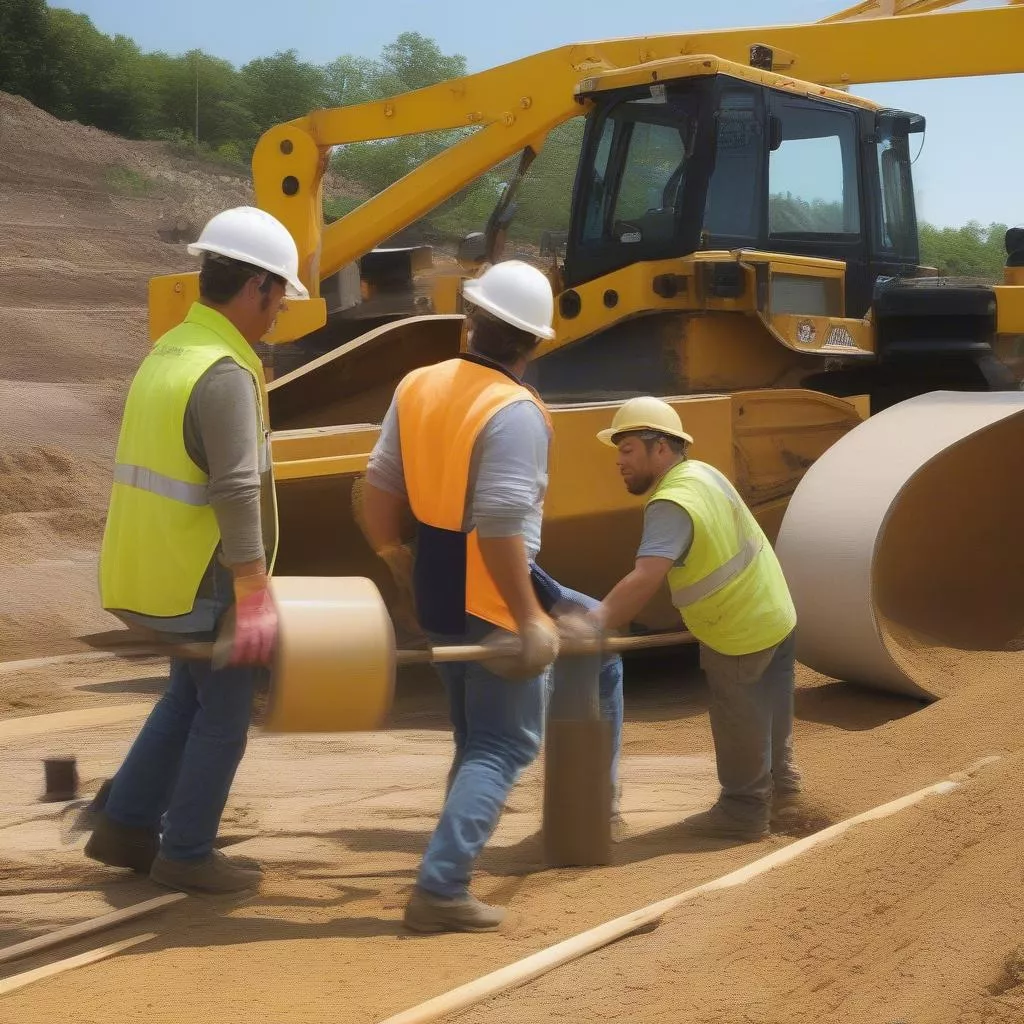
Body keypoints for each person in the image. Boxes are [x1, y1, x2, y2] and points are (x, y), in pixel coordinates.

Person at [359, 260, 623, 933]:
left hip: (439, 582)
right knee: (502, 745)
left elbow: (379, 487)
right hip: (492, 587)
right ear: (535, 345)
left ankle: (453, 862)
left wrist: (395, 559)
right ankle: (442, 887)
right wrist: (530, 617)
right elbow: (502, 525)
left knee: (476, 734)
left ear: (469, 324)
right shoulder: (514, 412)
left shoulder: (417, 385)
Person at [83, 205, 308, 893]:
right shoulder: (224, 372)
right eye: (278, 298)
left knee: (187, 697)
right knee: (226, 714)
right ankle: (186, 851)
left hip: (147, 574)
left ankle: (125, 825)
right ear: (260, 288)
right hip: (200, 583)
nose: (277, 315)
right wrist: (253, 592)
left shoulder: (170, 352)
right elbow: (236, 489)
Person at [575, 396, 800, 842]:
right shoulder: (704, 475)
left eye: (627, 450)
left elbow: (645, 578)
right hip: (775, 611)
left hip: (738, 628)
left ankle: (743, 812)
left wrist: (593, 622)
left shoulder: (671, 502)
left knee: (739, 715)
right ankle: (786, 794)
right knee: (771, 712)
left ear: (661, 448)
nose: (619, 462)